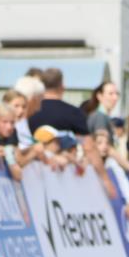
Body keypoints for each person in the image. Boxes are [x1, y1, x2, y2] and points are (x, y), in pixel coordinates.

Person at [28, 67, 116, 198]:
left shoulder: (30, 111)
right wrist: (105, 179)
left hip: (31, 179)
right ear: (62, 87)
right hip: (62, 183)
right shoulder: (73, 113)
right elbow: (89, 147)